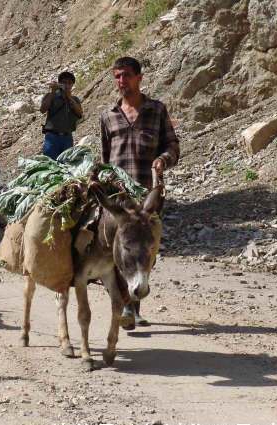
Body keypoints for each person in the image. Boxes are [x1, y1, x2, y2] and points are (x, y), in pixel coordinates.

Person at [100, 56, 180, 330]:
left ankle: (135, 305)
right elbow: (105, 157)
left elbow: (172, 146)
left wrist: (163, 160)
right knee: (121, 250)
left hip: (149, 197)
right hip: (119, 200)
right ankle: (125, 305)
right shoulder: (108, 115)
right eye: (117, 76)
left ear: (139, 78)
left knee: (145, 251)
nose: (121, 81)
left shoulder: (156, 110)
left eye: (126, 76)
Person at [39, 71, 83, 160]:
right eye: (64, 82)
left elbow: (80, 113)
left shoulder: (74, 99)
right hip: (52, 137)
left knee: (67, 166)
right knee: (50, 163)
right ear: (59, 84)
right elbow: (42, 109)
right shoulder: (51, 96)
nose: (66, 85)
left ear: (72, 85)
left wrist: (69, 97)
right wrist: (52, 92)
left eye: (69, 83)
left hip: (67, 137)